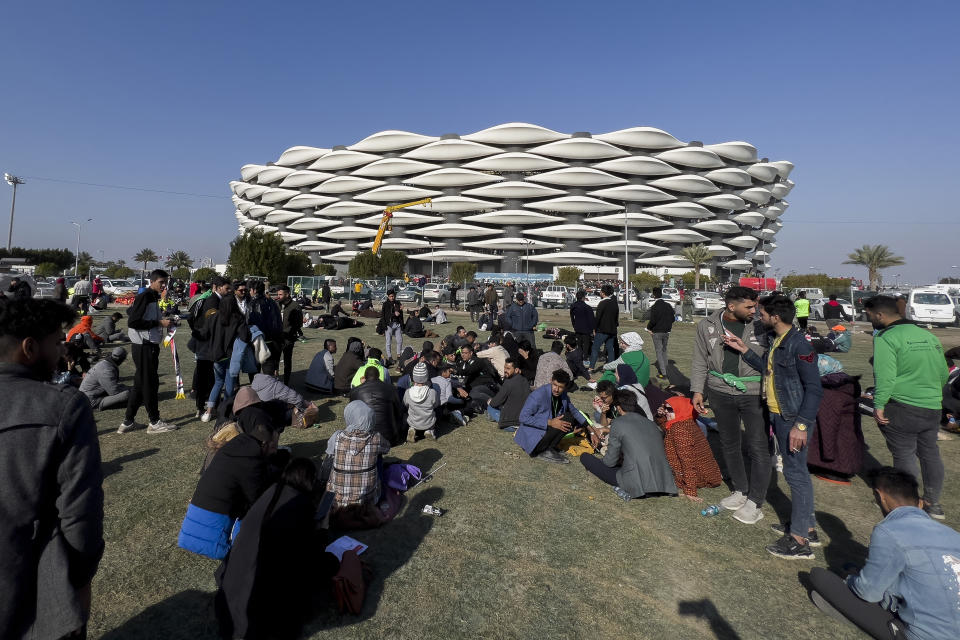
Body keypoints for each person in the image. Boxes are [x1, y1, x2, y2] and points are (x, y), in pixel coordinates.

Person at [0, 298, 104, 639]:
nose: (63, 352)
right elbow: (79, 513)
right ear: (29, 348)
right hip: (30, 586)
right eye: (58, 342)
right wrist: (78, 580)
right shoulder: (64, 407)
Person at [808, 467, 960, 639]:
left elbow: (869, 593)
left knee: (820, 576)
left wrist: (851, 579)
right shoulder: (954, 535)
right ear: (920, 503)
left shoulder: (889, 531)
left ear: (880, 496)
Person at [724, 294, 824, 557]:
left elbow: (814, 388)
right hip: (779, 415)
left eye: (763, 313)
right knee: (796, 473)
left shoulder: (799, 345)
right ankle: (808, 527)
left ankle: (800, 540)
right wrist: (744, 350)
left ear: (775, 317)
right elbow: (771, 371)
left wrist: (801, 425)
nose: (759, 316)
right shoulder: (778, 341)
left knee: (796, 475)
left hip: (792, 418)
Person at [214, 458, 337, 640]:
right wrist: (323, 530)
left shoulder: (272, 493)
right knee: (329, 566)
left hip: (228, 604)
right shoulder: (299, 506)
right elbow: (307, 559)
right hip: (258, 618)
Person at [864, 295, 950, 519]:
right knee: (930, 453)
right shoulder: (927, 335)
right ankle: (933, 502)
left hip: (901, 406)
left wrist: (879, 404)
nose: (868, 319)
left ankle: (907, 505)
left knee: (904, 455)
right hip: (932, 406)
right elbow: (943, 373)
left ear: (880, 315)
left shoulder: (886, 337)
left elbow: (885, 376)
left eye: (869, 315)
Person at [690, 285, 768, 524]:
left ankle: (755, 500)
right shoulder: (707, 325)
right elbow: (700, 360)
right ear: (731, 306)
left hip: (754, 392)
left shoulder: (763, 325)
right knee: (729, 443)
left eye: (755, 305)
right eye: (749, 306)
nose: (754, 310)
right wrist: (697, 390)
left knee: (757, 447)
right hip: (720, 391)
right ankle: (740, 490)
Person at [178, 405, 284, 559]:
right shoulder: (251, 461)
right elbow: (256, 498)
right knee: (258, 510)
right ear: (264, 444)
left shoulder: (237, 447)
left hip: (195, 517)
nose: (275, 451)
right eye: (274, 447)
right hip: (212, 533)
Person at [580, 390, 679, 500]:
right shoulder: (652, 424)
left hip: (638, 484)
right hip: (662, 482)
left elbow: (610, 461)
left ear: (618, 407)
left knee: (586, 457)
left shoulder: (618, 423)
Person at [120, 269, 177, 433]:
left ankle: (128, 421)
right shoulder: (145, 295)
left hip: (148, 344)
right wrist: (159, 323)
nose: (164, 285)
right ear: (152, 281)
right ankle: (154, 422)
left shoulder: (152, 296)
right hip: (144, 345)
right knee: (150, 384)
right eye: (161, 282)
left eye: (166, 282)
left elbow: (133, 312)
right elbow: (133, 321)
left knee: (139, 384)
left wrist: (165, 320)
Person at [326, 401, 391, 510]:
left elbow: (329, 454)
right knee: (378, 456)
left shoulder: (337, 436)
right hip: (367, 500)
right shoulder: (376, 438)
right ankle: (381, 496)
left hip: (337, 501)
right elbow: (387, 448)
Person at [657, 396, 722, 501]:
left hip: (700, 476)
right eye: (664, 408)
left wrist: (690, 490)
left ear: (680, 410)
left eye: (669, 409)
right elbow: (666, 428)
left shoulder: (680, 430)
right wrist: (661, 415)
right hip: (707, 473)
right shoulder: (685, 420)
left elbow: (687, 462)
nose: (666, 411)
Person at [515, 369, 586, 464]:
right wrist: (549, 422)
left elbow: (575, 411)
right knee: (567, 418)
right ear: (551, 381)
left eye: (560, 387)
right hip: (534, 436)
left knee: (570, 417)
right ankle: (542, 450)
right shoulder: (538, 395)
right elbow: (523, 417)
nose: (556, 389)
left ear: (565, 387)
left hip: (547, 430)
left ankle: (549, 447)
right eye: (555, 385)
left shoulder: (563, 395)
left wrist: (592, 430)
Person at [204, 281, 250, 422]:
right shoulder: (238, 318)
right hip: (230, 355)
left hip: (216, 355)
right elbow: (245, 336)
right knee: (229, 383)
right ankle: (226, 410)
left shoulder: (214, 317)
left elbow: (205, 333)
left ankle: (209, 411)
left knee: (218, 382)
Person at [193, 277, 231, 419]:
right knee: (204, 376)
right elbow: (211, 325)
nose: (229, 291)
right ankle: (201, 407)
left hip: (211, 345)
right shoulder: (212, 301)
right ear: (217, 287)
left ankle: (211, 405)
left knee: (211, 377)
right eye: (226, 289)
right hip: (206, 345)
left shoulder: (220, 300)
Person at [351, 365, 404, 445]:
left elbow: (353, 416)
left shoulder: (355, 391)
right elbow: (399, 411)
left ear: (364, 377)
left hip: (364, 437)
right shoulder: (391, 389)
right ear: (379, 375)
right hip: (390, 437)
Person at [487, 357, 530, 431]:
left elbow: (495, 403)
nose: (505, 370)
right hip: (523, 419)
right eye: (505, 368)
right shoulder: (525, 380)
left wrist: (490, 402)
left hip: (510, 422)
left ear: (516, 370)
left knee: (490, 407)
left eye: (508, 368)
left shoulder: (509, 383)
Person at [404, 362, 440, 442]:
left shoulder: (408, 392)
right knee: (434, 415)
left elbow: (405, 404)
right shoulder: (432, 392)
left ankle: (412, 429)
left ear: (414, 377)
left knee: (411, 415)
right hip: (428, 422)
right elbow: (436, 405)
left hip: (413, 421)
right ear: (426, 376)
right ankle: (429, 430)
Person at [646, 287, 675, 380]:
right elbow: (673, 318)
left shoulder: (655, 307)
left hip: (657, 332)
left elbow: (653, 320)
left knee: (659, 352)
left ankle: (664, 373)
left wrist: (648, 328)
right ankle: (667, 370)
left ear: (654, 295)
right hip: (666, 331)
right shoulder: (668, 306)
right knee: (664, 351)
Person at [276, 285, 302, 385]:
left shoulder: (295, 306)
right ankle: (276, 380)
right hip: (277, 338)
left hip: (288, 338)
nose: (278, 296)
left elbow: (299, 324)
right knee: (275, 360)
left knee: (287, 361)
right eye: (278, 294)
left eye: (280, 294)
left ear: (287, 294)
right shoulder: (277, 304)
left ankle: (286, 382)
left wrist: (290, 332)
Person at [590, 284, 619, 369]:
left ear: (602, 293)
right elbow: (616, 317)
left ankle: (591, 367)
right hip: (612, 330)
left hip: (602, 330)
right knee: (610, 349)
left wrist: (594, 329)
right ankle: (611, 367)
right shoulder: (614, 303)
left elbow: (597, 318)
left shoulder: (602, 303)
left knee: (595, 348)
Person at [570, 290, 596, 364]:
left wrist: (574, 325)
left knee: (579, 343)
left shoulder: (573, 306)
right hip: (586, 329)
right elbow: (591, 319)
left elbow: (572, 317)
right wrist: (593, 329)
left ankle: (579, 357)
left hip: (577, 327)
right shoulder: (587, 307)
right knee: (586, 344)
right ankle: (585, 358)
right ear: (583, 298)